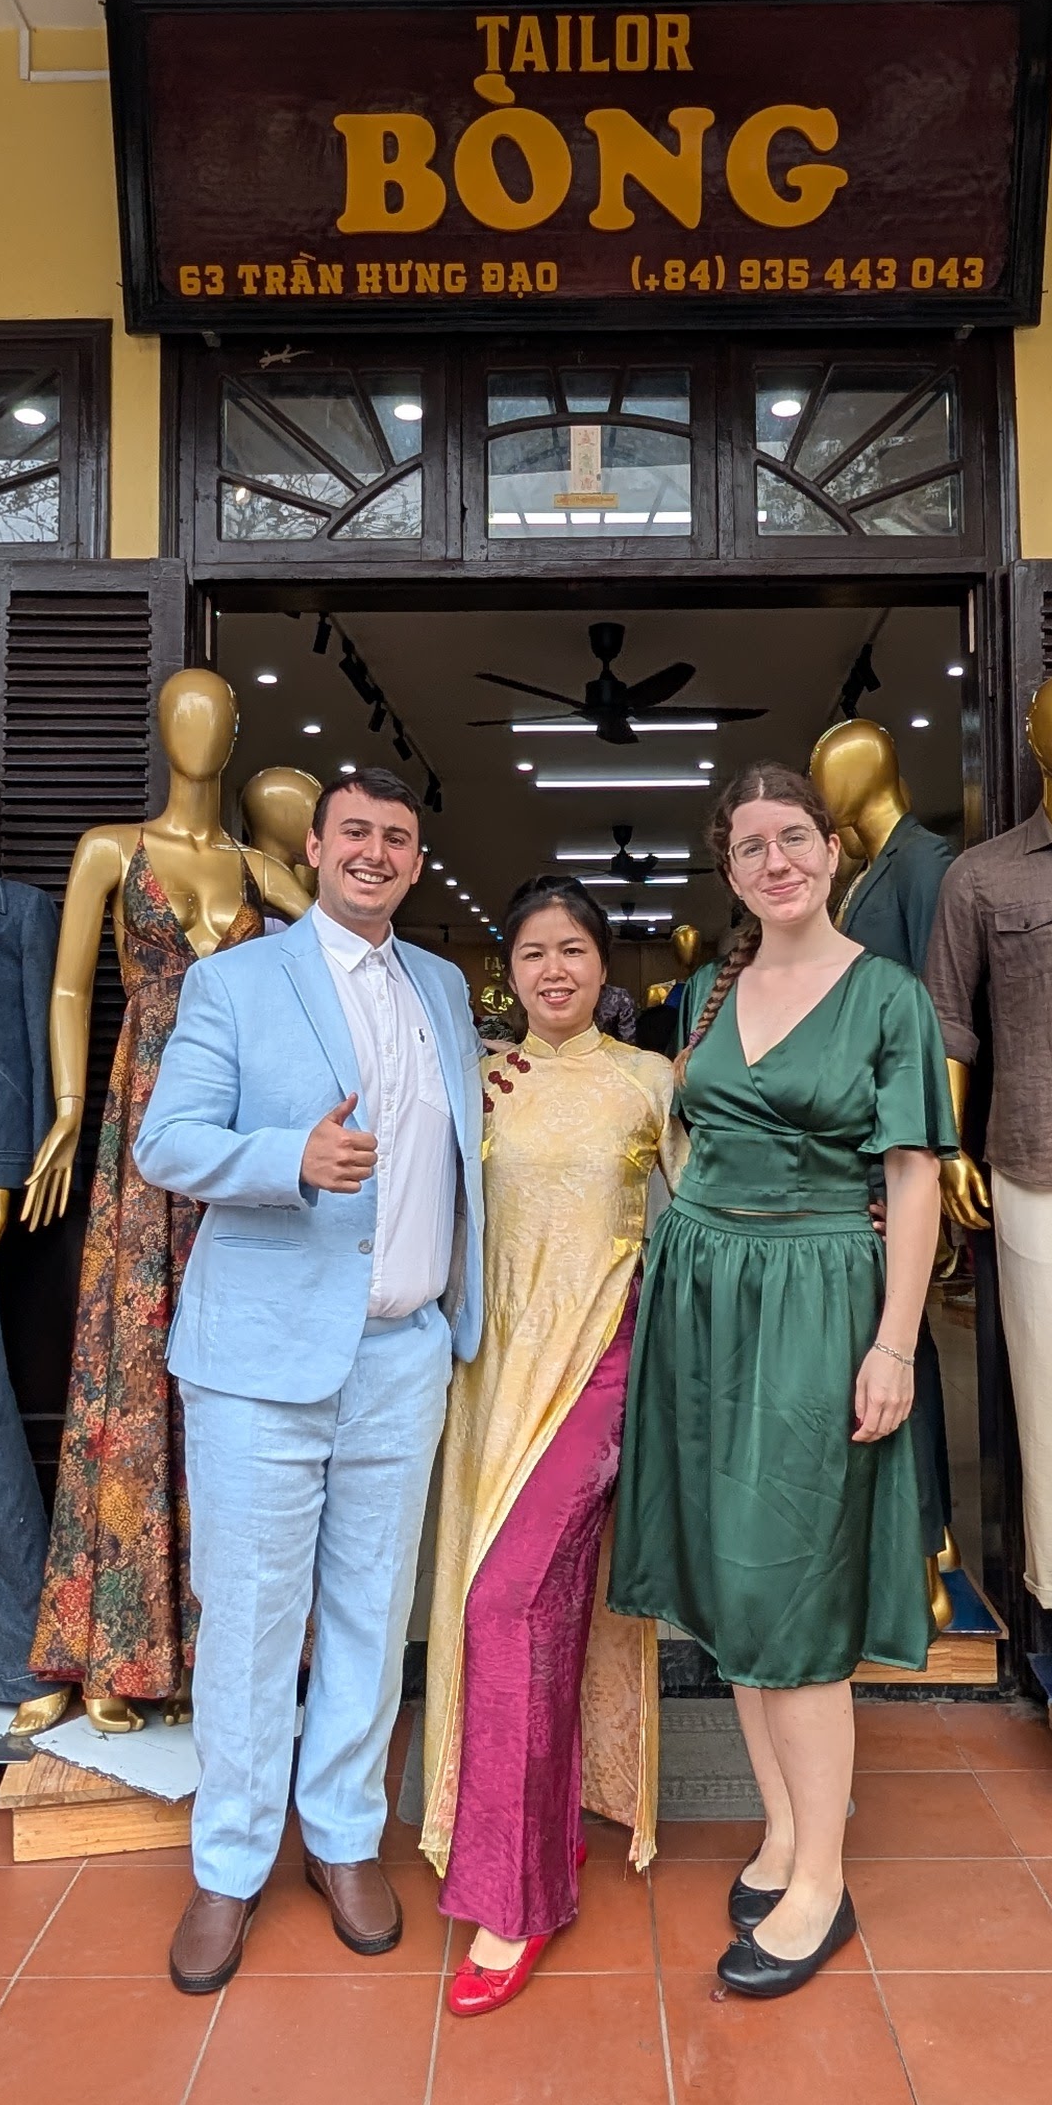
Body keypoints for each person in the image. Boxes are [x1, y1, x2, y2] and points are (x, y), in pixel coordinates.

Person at [133, 767, 483, 1996]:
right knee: (249, 1620)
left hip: (403, 1352)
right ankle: (228, 1866)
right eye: (355, 834)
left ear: (415, 859)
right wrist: (291, 1156)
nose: (374, 852)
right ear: (317, 850)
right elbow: (165, 1141)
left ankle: (341, 1837)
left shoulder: (443, 987)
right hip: (259, 1359)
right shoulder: (236, 981)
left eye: (397, 837)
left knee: (372, 1616)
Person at [609, 761, 955, 2000]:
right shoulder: (707, 991)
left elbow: (912, 1175)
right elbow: (685, 1139)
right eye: (750, 845)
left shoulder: (887, 996)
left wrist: (893, 1342)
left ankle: (822, 1879)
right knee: (727, 1579)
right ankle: (783, 1829)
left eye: (794, 837)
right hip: (702, 1295)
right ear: (729, 866)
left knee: (789, 1584)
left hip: (816, 1300)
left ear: (830, 849)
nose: (776, 861)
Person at [422, 876, 683, 2017]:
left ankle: (513, 1897)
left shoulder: (648, 1082)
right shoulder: (478, 1081)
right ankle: (546, 1830)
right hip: (490, 1378)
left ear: (602, 965)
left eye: (572, 950)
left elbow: (702, 1221)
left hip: (599, 1371)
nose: (553, 970)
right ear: (510, 971)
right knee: (535, 1607)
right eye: (532, 953)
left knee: (508, 1606)